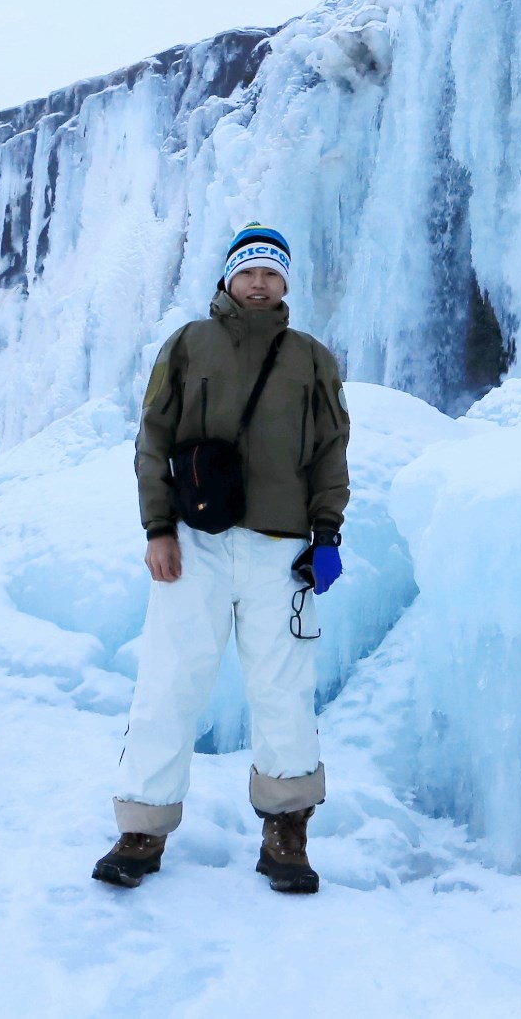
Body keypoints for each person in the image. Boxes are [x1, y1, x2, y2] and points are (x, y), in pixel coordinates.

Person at [93, 222, 351, 894]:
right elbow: (154, 438)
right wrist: (158, 528)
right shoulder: (187, 345)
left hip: (282, 549)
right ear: (228, 278)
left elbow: (330, 453)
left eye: (271, 271)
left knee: (284, 692)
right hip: (195, 543)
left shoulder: (312, 358)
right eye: (248, 270)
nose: (259, 282)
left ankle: (286, 832)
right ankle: (142, 827)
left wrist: (327, 536)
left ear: (286, 282)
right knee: (169, 680)